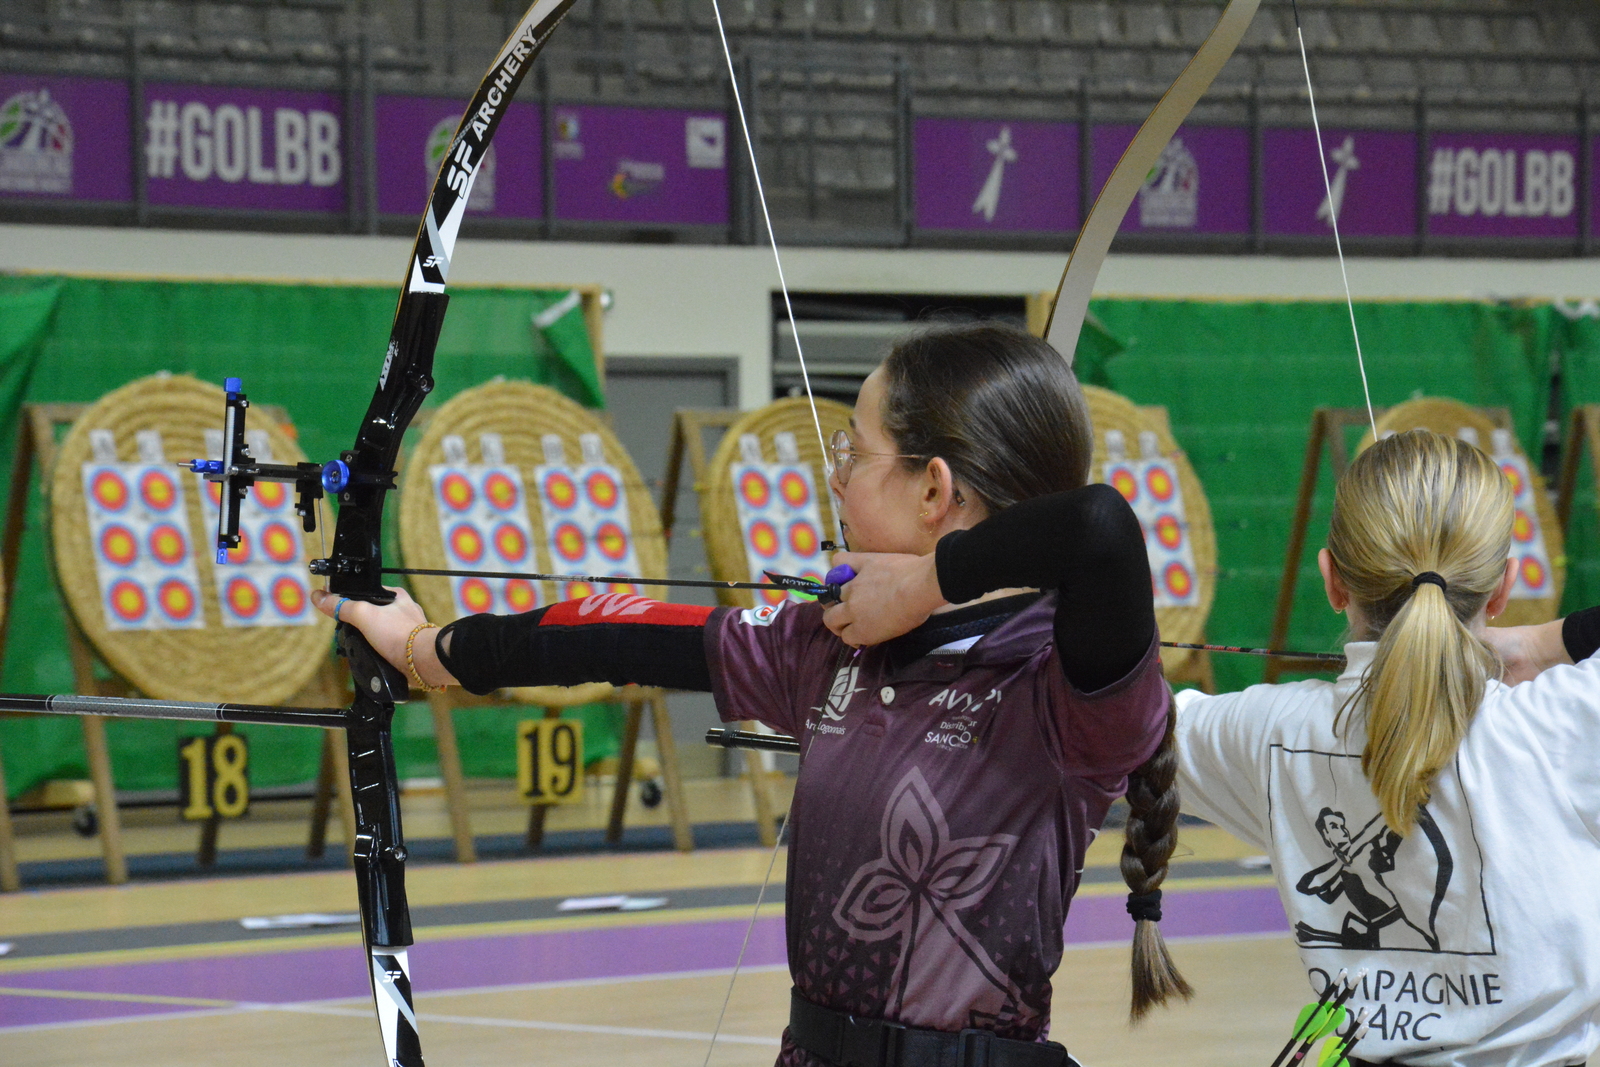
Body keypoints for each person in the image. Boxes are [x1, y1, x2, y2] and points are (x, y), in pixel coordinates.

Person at [315, 322, 1186, 1067]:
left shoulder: (1062, 682)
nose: (835, 476)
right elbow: (615, 631)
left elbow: (1100, 525)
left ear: (933, 489)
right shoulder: (829, 644)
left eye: (854, 452)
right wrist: (431, 648)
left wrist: (923, 585)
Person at [1171, 429, 1600, 1067]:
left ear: (1332, 581)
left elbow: (1105, 715)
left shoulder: (1270, 732)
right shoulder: (1564, 724)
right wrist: (1547, 641)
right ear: (1504, 587)